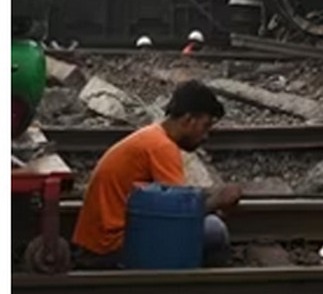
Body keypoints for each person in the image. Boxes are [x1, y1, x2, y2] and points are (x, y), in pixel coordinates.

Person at [71, 80, 242, 269]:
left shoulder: (153, 136)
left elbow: (174, 196)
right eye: (205, 126)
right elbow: (180, 213)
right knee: (214, 230)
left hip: (97, 243)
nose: (206, 136)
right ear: (188, 120)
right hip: (111, 246)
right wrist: (218, 200)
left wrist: (211, 197)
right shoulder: (162, 147)